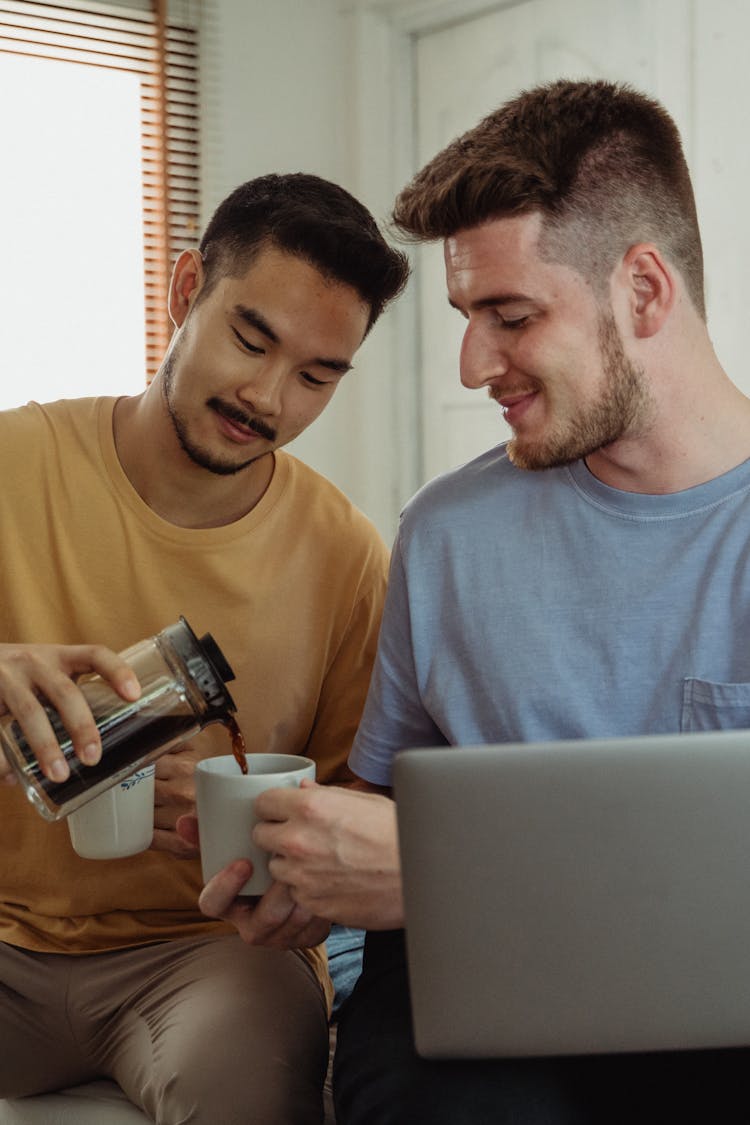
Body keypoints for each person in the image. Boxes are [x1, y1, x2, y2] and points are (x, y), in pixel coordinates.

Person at [192, 81, 750, 1123]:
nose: (470, 364)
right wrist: (316, 876)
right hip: (476, 988)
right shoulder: (448, 535)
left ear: (642, 292)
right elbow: (391, 810)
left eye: (510, 315)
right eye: (465, 316)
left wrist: (454, 877)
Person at [0, 171, 409, 1125]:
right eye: (251, 339)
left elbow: (363, 806)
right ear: (186, 291)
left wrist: (290, 854)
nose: (268, 397)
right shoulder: (16, 464)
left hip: (208, 957)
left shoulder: (344, 554)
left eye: (317, 376)